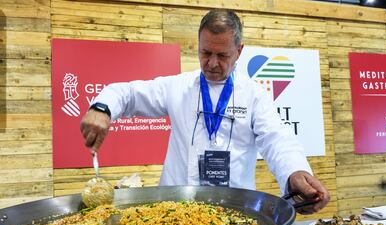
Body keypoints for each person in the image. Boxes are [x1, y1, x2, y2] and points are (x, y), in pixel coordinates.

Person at [80, 9, 330, 214]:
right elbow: (128, 93)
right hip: (173, 209)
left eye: (222, 55)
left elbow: (277, 139)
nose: (212, 63)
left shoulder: (255, 95)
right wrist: (102, 107)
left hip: (235, 212)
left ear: (239, 51)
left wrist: (295, 172)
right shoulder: (177, 87)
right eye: (205, 52)